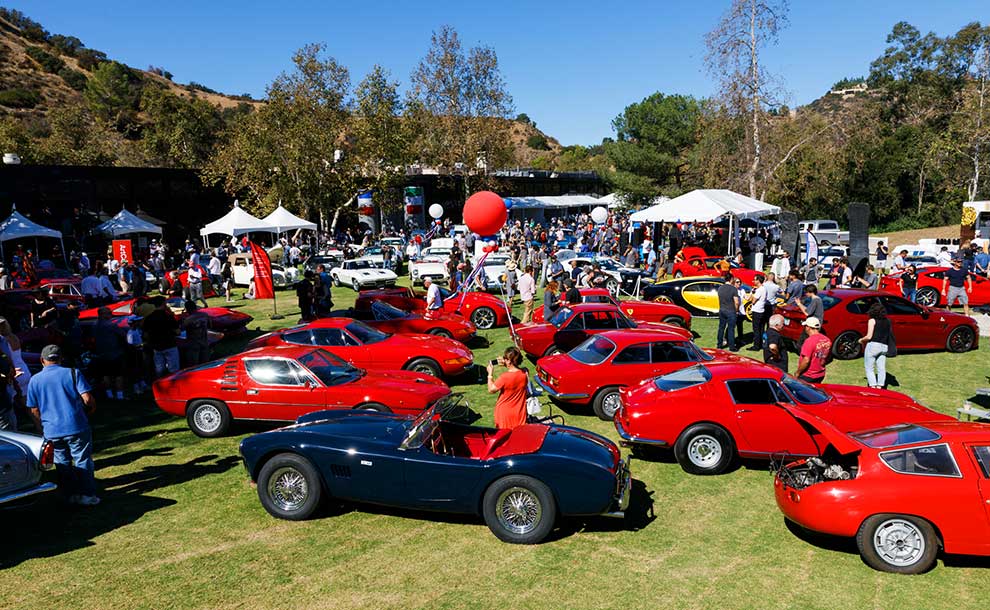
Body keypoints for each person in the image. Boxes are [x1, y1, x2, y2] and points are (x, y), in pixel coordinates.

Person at [26, 345, 99, 506]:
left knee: (61, 463)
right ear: (60, 358)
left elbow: (33, 408)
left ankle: (70, 495)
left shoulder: (35, 380)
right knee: (83, 460)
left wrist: (40, 426)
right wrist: (91, 409)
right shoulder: (72, 373)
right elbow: (87, 398)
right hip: (76, 425)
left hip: (52, 429)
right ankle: (87, 495)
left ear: (42, 360)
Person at [486, 347, 528, 429]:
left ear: (509, 360)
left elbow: (491, 389)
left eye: (505, 358)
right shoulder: (525, 373)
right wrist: (507, 362)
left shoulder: (504, 377)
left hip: (504, 414)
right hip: (519, 413)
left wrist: (490, 374)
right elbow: (517, 369)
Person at [92, 307, 126, 400]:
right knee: (118, 375)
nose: (110, 315)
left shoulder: (94, 324)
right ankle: (120, 396)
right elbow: (123, 335)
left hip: (101, 353)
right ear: (102, 314)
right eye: (108, 313)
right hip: (114, 353)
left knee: (106, 375)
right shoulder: (111, 325)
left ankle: (109, 394)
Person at [143, 296, 180, 378]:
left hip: (157, 347)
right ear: (163, 304)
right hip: (170, 345)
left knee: (159, 369)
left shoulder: (149, 318)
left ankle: (161, 384)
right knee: (173, 369)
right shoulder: (168, 317)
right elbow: (177, 331)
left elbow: (145, 334)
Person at [859, 302, 892, 389]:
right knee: (881, 368)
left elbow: (869, 336)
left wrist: (861, 340)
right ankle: (880, 386)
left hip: (873, 346)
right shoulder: (888, 321)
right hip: (884, 347)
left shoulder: (872, 321)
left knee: (869, 368)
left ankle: (873, 386)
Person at [795, 317, 831, 383]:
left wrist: (798, 372)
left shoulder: (809, 341)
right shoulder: (827, 340)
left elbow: (806, 360)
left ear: (808, 327)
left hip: (808, 375)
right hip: (820, 374)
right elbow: (827, 357)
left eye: (805, 326)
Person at [180, 301, 210, 366]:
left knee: (193, 365)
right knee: (206, 364)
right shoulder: (205, 315)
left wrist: (182, 319)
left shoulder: (187, 319)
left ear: (187, 309)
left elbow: (181, 330)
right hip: (204, 341)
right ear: (195, 307)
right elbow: (210, 325)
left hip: (193, 344)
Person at [716, 273, 739, 351]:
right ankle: (732, 347)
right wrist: (736, 310)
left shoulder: (720, 288)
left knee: (721, 328)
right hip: (731, 310)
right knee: (731, 329)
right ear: (731, 279)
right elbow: (736, 302)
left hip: (722, 309)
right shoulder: (733, 289)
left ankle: (719, 344)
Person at [748, 275, 768, 351]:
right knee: (761, 328)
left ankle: (756, 346)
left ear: (758, 281)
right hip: (762, 310)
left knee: (756, 329)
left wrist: (752, 293)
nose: (754, 281)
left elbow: (753, 301)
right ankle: (761, 344)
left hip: (757, 311)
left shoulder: (759, 290)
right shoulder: (764, 289)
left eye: (755, 280)